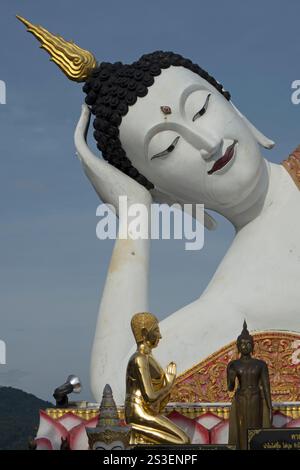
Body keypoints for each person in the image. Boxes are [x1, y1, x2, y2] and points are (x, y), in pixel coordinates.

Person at [18, 16, 300, 405]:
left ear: (229, 101)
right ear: (162, 193)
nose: (207, 143)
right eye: (166, 148)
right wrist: (133, 215)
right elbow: (117, 387)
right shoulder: (235, 295)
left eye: (201, 109)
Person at [125, 312, 189, 444]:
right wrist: (169, 384)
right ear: (144, 333)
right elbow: (150, 397)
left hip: (148, 411)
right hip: (139, 412)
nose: (160, 336)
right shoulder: (139, 359)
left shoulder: (148, 358)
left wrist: (165, 382)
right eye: (156, 331)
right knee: (183, 441)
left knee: (183, 440)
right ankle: (136, 433)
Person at [227, 321, 272, 450]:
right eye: (242, 344)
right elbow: (230, 387)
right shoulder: (234, 365)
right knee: (241, 430)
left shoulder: (260, 364)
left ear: (253, 346)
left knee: (256, 429)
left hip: (256, 398)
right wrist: (231, 377)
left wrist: (270, 407)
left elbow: (266, 387)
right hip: (241, 398)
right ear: (238, 346)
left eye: (248, 343)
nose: (245, 346)